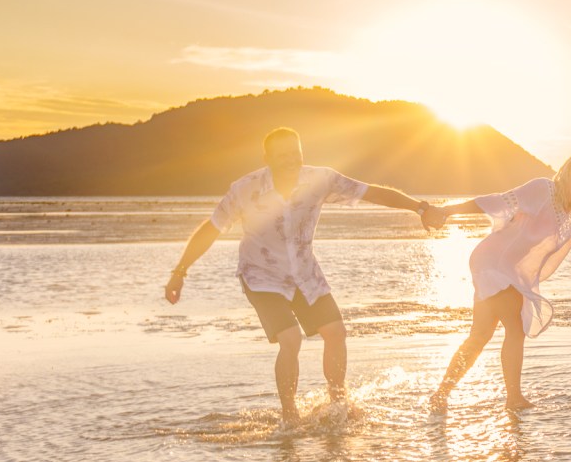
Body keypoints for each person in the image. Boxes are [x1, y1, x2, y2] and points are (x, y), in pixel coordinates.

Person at [163, 127, 442, 425]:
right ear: (267, 158)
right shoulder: (245, 189)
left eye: (295, 153)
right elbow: (211, 228)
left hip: (305, 272)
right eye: (282, 155)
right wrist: (180, 271)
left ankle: (338, 405)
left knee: (336, 332)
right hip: (261, 276)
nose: (290, 160)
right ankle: (290, 417)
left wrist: (419, 207)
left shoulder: (320, 180)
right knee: (291, 338)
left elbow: (372, 192)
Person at [428, 149, 571, 412]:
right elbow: (498, 201)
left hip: (506, 268)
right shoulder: (542, 190)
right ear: (567, 171)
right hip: (492, 262)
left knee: (480, 335)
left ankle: (442, 394)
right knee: (514, 328)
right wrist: (448, 211)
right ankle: (513, 399)